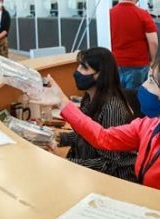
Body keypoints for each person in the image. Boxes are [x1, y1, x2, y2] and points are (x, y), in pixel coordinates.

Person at [37, 54, 160, 203]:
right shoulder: (151, 124)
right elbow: (103, 137)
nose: (144, 86)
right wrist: (63, 102)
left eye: (152, 81)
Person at [49, 47, 137, 182]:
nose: (77, 72)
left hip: (116, 180)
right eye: (78, 66)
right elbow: (86, 134)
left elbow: (108, 163)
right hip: (91, 173)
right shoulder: (89, 98)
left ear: (100, 75)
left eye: (84, 68)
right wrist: (58, 137)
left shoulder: (112, 108)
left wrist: (67, 162)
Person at [110, 0, 158, 89]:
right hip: (138, 63)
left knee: (118, 97)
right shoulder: (143, 14)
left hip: (115, 62)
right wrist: (152, 60)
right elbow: (153, 41)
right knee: (134, 100)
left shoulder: (109, 13)